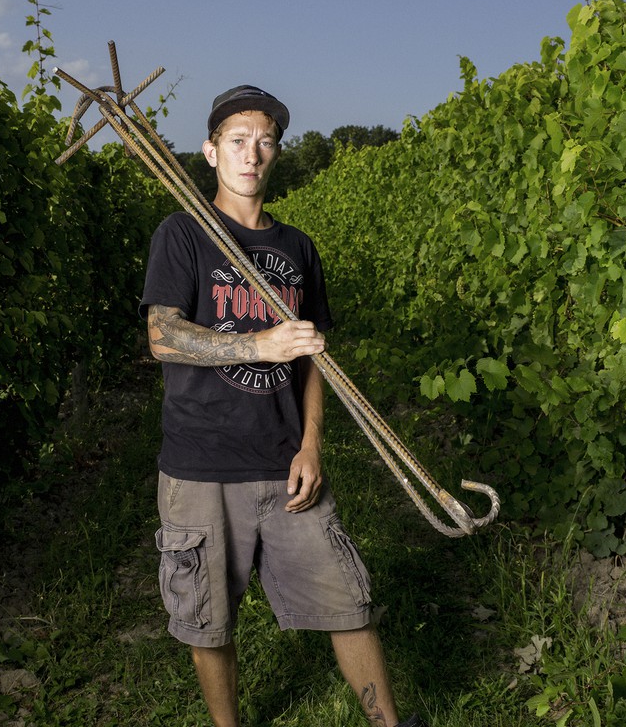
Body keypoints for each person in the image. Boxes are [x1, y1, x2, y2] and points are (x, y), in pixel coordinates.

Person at [140, 85, 426, 727]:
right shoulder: (183, 233)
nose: (252, 152)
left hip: (284, 461)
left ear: (276, 154)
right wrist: (260, 341)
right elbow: (161, 336)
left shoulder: (297, 248)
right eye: (237, 140)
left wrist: (312, 444)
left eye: (265, 141)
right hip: (201, 464)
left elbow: (313, 360)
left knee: (346, 600)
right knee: (208, 617)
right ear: (211, 152)